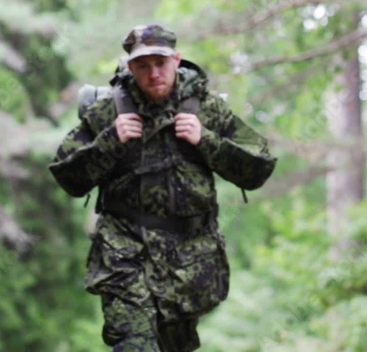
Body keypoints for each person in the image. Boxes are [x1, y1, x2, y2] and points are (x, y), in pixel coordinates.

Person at [49, 24, 277, 351]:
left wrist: (206, 141)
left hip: (188, 263)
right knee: (135, 345)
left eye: (160, 63)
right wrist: (109, 141)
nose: (153, 73)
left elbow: (258, 170)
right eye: (143, 65)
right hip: (123, 256)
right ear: (131, 67)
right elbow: (68, 178)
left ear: (176, 60)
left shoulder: (206, 108)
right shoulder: (109, 111)